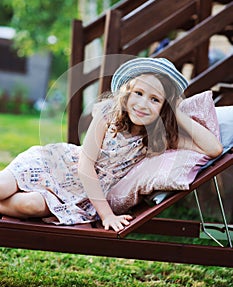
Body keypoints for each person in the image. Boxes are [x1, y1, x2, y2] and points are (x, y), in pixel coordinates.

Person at [0, 58, 223, 232]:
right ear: (127, 94)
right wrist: (107, 215)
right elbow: (85, 165)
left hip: (79, 196)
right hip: (56, 164)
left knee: (31, 206)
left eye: (155, 99)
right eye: (138, 93)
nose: (143, 104)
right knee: (3, 187)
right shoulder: (108, 116)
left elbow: (213, 148)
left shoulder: (162, 138)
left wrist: (177, 111)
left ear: (164, 107)